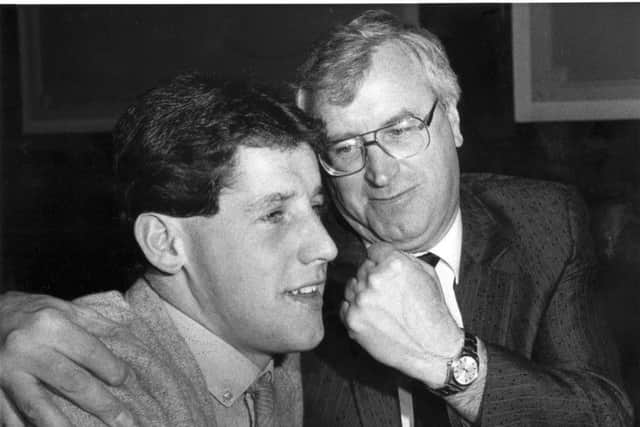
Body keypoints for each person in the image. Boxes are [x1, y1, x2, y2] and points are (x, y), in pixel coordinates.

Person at [0, 9, 634, 427]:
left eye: (401, 129)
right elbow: (166, 291)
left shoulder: (546, 222)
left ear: (455, 121)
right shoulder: (298, 262)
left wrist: (453, 359)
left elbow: (606, 414)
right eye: (345, 148)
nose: (379, 173)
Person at [0, 72, 338, 426]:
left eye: (315, 209)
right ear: (164, 242)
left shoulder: (268, 337)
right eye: (274, 214)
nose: (325, 246)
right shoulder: (82, 390)